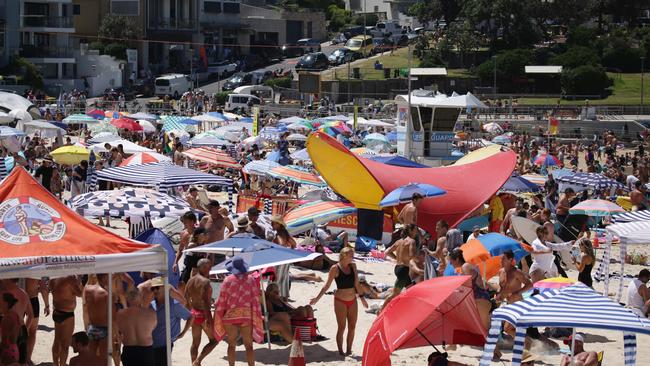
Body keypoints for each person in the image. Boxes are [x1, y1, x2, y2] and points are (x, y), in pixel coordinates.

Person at [310, 247, 368, 356]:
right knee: (341, 327)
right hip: (340, 300)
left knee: (352, 326)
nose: (353, 257)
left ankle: (349, 350)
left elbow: (356, 284)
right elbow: (326, 286)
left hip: (353, 300)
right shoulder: (335, 268)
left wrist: (362, 298)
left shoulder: (353, 266)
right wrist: (317, 298)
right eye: (351, 255)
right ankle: (341, 351)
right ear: (344, 255)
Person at [213, 256, 264, 366]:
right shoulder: (250, 280)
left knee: (231, 345)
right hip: (246, 316)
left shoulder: (227, 280)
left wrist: (219, 313)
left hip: (230, 317)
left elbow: (222, 300)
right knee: (249, 345)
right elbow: (255, 299)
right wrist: (256, 314)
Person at [150, 277, 192, 366]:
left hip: (164, 346)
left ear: (165, 288)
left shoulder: (173, 305)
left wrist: (183, 333)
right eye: (152, 288)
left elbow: (191, 316)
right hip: (149, 345)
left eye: (157, 287)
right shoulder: (151, 305)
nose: (155, 291)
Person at [448, 249, 492, 330]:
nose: (450, 264)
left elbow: (467, 287)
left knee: (484, 331)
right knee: (481, 330)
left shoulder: (465, 267)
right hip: (479, 300)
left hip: (481, 300)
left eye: (451, 261)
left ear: (457, 259)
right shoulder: (464, 268)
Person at [184, 259, 218, 366]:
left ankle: (193, 363)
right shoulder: (205, 282)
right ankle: (198, 361)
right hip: (203, 314)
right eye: (208, 267)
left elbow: (186, 298)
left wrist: (190, 312)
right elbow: (205, 301)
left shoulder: (190, 281)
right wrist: (209, 319)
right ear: (201, 268)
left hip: (194, 314)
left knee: (195, 343)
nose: (210, 269)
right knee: (214, 341)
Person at [115, 289, 157, 366]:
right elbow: (153, 328)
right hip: (146, 351)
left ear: (127, 299)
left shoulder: (120, 314)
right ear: (140, 297)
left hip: (129, 350)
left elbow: (118, 332)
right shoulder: (150, 313)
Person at [50, 275, 83, 366]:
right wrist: (79, 282)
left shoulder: (53, 278)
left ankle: (56, 364)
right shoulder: (70, 278)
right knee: (65, 344)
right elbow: (80, 294)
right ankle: (63, 364)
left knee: (57, 340)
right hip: (67, 314)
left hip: (57, 312)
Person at [2, 279, 33, 365]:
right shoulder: (23, 293)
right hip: (21, 328)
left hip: (9, 331)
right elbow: (31, 315)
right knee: (22, 360)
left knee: (8, 360)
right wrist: (25, 329)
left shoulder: (5, 294)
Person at [82, 274, 111, 361]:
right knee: (103, 359)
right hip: (104, 328)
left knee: (91, 357)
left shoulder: (87, 290)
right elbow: (112, 317)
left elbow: (85, 309)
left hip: (92, 327)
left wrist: (86, 327)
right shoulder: (107, 293)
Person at [385, 224, 418, 292]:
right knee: (395, 294)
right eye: (415, 230)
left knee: (411, 289)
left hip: (398, 268)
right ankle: (386, 303)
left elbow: (387, 252)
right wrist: (419, 257)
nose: (416, 232)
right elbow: (412, 255)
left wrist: (397, 258)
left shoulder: (399, 241)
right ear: (410, 231)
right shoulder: (412, 241)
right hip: (403, 269)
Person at [271, 216, 296, 300]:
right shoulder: (285, 233)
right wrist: (289, 253)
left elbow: (281, 244)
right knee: (284, 279)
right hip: (285, 258)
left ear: (279, 224)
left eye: (274, 223)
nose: (272, 224)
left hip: (279, 259)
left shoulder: (278, 234)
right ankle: (284, 297)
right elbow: (294, 244)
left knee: (277, 279)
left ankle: (277, 297)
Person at [25, 278, 49, 365]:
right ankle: (27, 358)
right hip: (32, 299)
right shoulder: (35, 268)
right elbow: (43, 288)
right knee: (32, 332)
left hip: (17, 299)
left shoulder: (17, 266)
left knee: (16, 330)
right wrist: (47, 304)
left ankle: (15, 356)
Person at [174, 211, 197, 290]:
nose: (184, 223)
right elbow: (180, 250)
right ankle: (186, 302)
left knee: (194, 286)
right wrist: (175, 263)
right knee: (181, 285)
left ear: (192, 221)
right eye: (183, 221)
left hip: (198, 260)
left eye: (185, 221)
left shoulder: (199, 232)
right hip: (188, 260)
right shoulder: (183, 234)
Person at [1, 293, 21, 366]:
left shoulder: (6, 318)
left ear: (5, 303)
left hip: (7, 353)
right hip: (14, 349)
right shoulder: (15, 314)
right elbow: (20, 333)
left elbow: (4, 342)